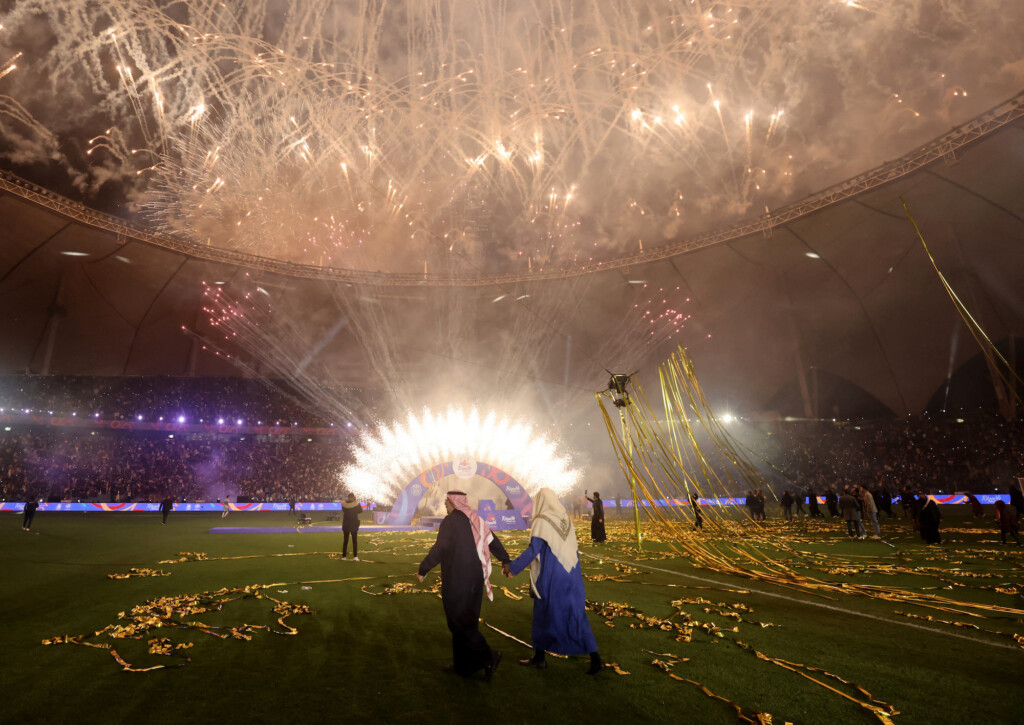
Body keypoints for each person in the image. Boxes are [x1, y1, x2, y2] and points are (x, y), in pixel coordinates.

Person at [503, 488, 604, 675]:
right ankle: (594, 658)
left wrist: (513, 568)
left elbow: (533, 550)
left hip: (552, 576)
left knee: (543, 614)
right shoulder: (566, 519)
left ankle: (540, 658)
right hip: (572, 576)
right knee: (576, 616)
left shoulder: (542, 521)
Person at [417, 491, 510, 680]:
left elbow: (440, 548)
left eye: (446, 501)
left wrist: (423, 568)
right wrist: (505, 560)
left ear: (453, 502)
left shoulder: (450, 522)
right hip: (475, 578)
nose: (445, 503)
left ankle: (489, 655)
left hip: (457, 578)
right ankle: (463, 666)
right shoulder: (475, 518)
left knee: (458, 621)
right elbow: (492, 541)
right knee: (466, 619)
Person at [342, 493, 362, 560]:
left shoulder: (344, 504)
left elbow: (344, 510)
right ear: (353, 497)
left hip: (346, 524)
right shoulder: (356, 504)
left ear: (348, 497)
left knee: (345, 541)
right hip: (354, 524)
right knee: (354, 541)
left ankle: (344, 556)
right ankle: (355, 557)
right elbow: (360, 511)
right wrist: (355, 502)